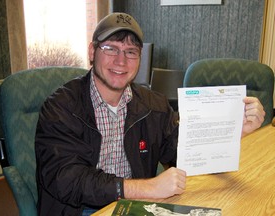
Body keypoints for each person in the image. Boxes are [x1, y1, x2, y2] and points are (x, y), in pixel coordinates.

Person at [35, 12, 265, 216]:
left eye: (131, 52)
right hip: (80, 209)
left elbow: (187, 154)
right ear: (92, 51)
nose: (121, 60)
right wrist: (149, 187)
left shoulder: (154, 105)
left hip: (138, 206)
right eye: (111, 48)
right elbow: (67, 180)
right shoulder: (60, 108)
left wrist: (234, 131)